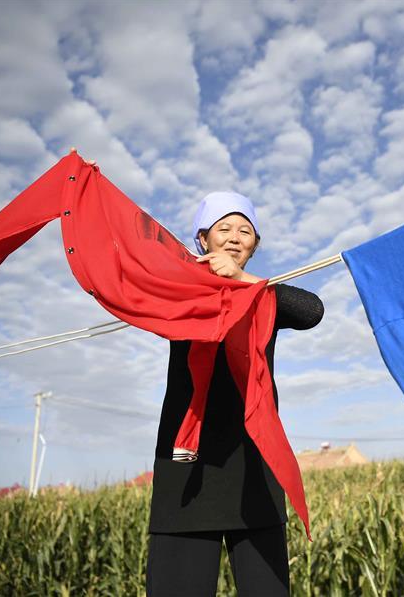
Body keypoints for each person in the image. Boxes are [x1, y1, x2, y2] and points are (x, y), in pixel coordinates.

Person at [144, 190, 324, 597]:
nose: (234, 237)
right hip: (187, 471)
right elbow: (127, 275)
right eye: (223, 228)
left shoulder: (263, 298)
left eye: (245, 231)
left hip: (254, 473)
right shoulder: (179, 290)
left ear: (255, 245)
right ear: (202, 239)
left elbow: (312, 310)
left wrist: (242, 281)